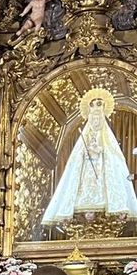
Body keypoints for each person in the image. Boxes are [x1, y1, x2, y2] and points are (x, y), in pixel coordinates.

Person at [42, 88, 137, 225]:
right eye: (93, 118)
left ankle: (114, 212)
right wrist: (86, 153)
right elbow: (76, 160)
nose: (96, 121)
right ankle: (86, 212)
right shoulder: (84, 137)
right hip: (87, 171)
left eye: (98, 117)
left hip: (104, 171)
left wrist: (101, 151)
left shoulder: (108, 138)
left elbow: (114, 156)